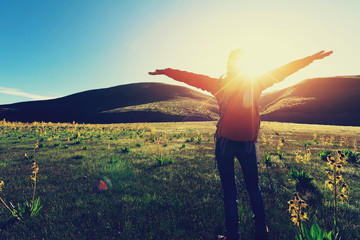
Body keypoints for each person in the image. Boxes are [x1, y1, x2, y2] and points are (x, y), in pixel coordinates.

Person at [149, 49, 333, 240]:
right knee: (254, 187)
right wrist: (310, 59)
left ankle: (232, 236)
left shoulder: (219, 84)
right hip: (247, 143)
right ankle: (261, 232)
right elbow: (284, 70)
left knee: (229, 191)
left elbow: (191, 78)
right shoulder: (256, 83)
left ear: (229, 65)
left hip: (224, 143)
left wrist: (167, 71)